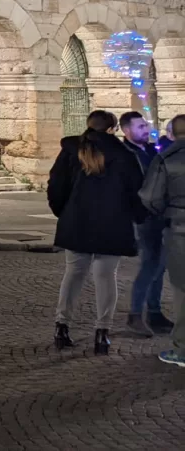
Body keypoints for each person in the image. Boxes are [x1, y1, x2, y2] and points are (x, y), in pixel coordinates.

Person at [48, 109, 146, 355]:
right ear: (112, 128)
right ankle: (102, 332)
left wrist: (64, 212)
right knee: (106, 276)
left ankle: (62, 326)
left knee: (73, 273)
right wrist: (138, 218)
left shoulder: (72, 150)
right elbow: (137, 192)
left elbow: (56, 185)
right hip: (112, 224)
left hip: (77, 220)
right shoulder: (125, 155)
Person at [120, 111, 173, 336]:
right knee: (150, 265)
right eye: (140, 126)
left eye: (145, 125)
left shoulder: (151, 150)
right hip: (143, 217)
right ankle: (135, 315)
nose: (145, 130)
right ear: (126, 130)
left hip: (159, 215)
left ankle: (154, 313)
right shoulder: (126, 155)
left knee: (159, 267)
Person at [139, 113, 185, 367]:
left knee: (182, 290)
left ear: (171, 134)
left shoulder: (165, 159)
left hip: (179, 230)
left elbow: (150, 198)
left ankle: (183, 350)